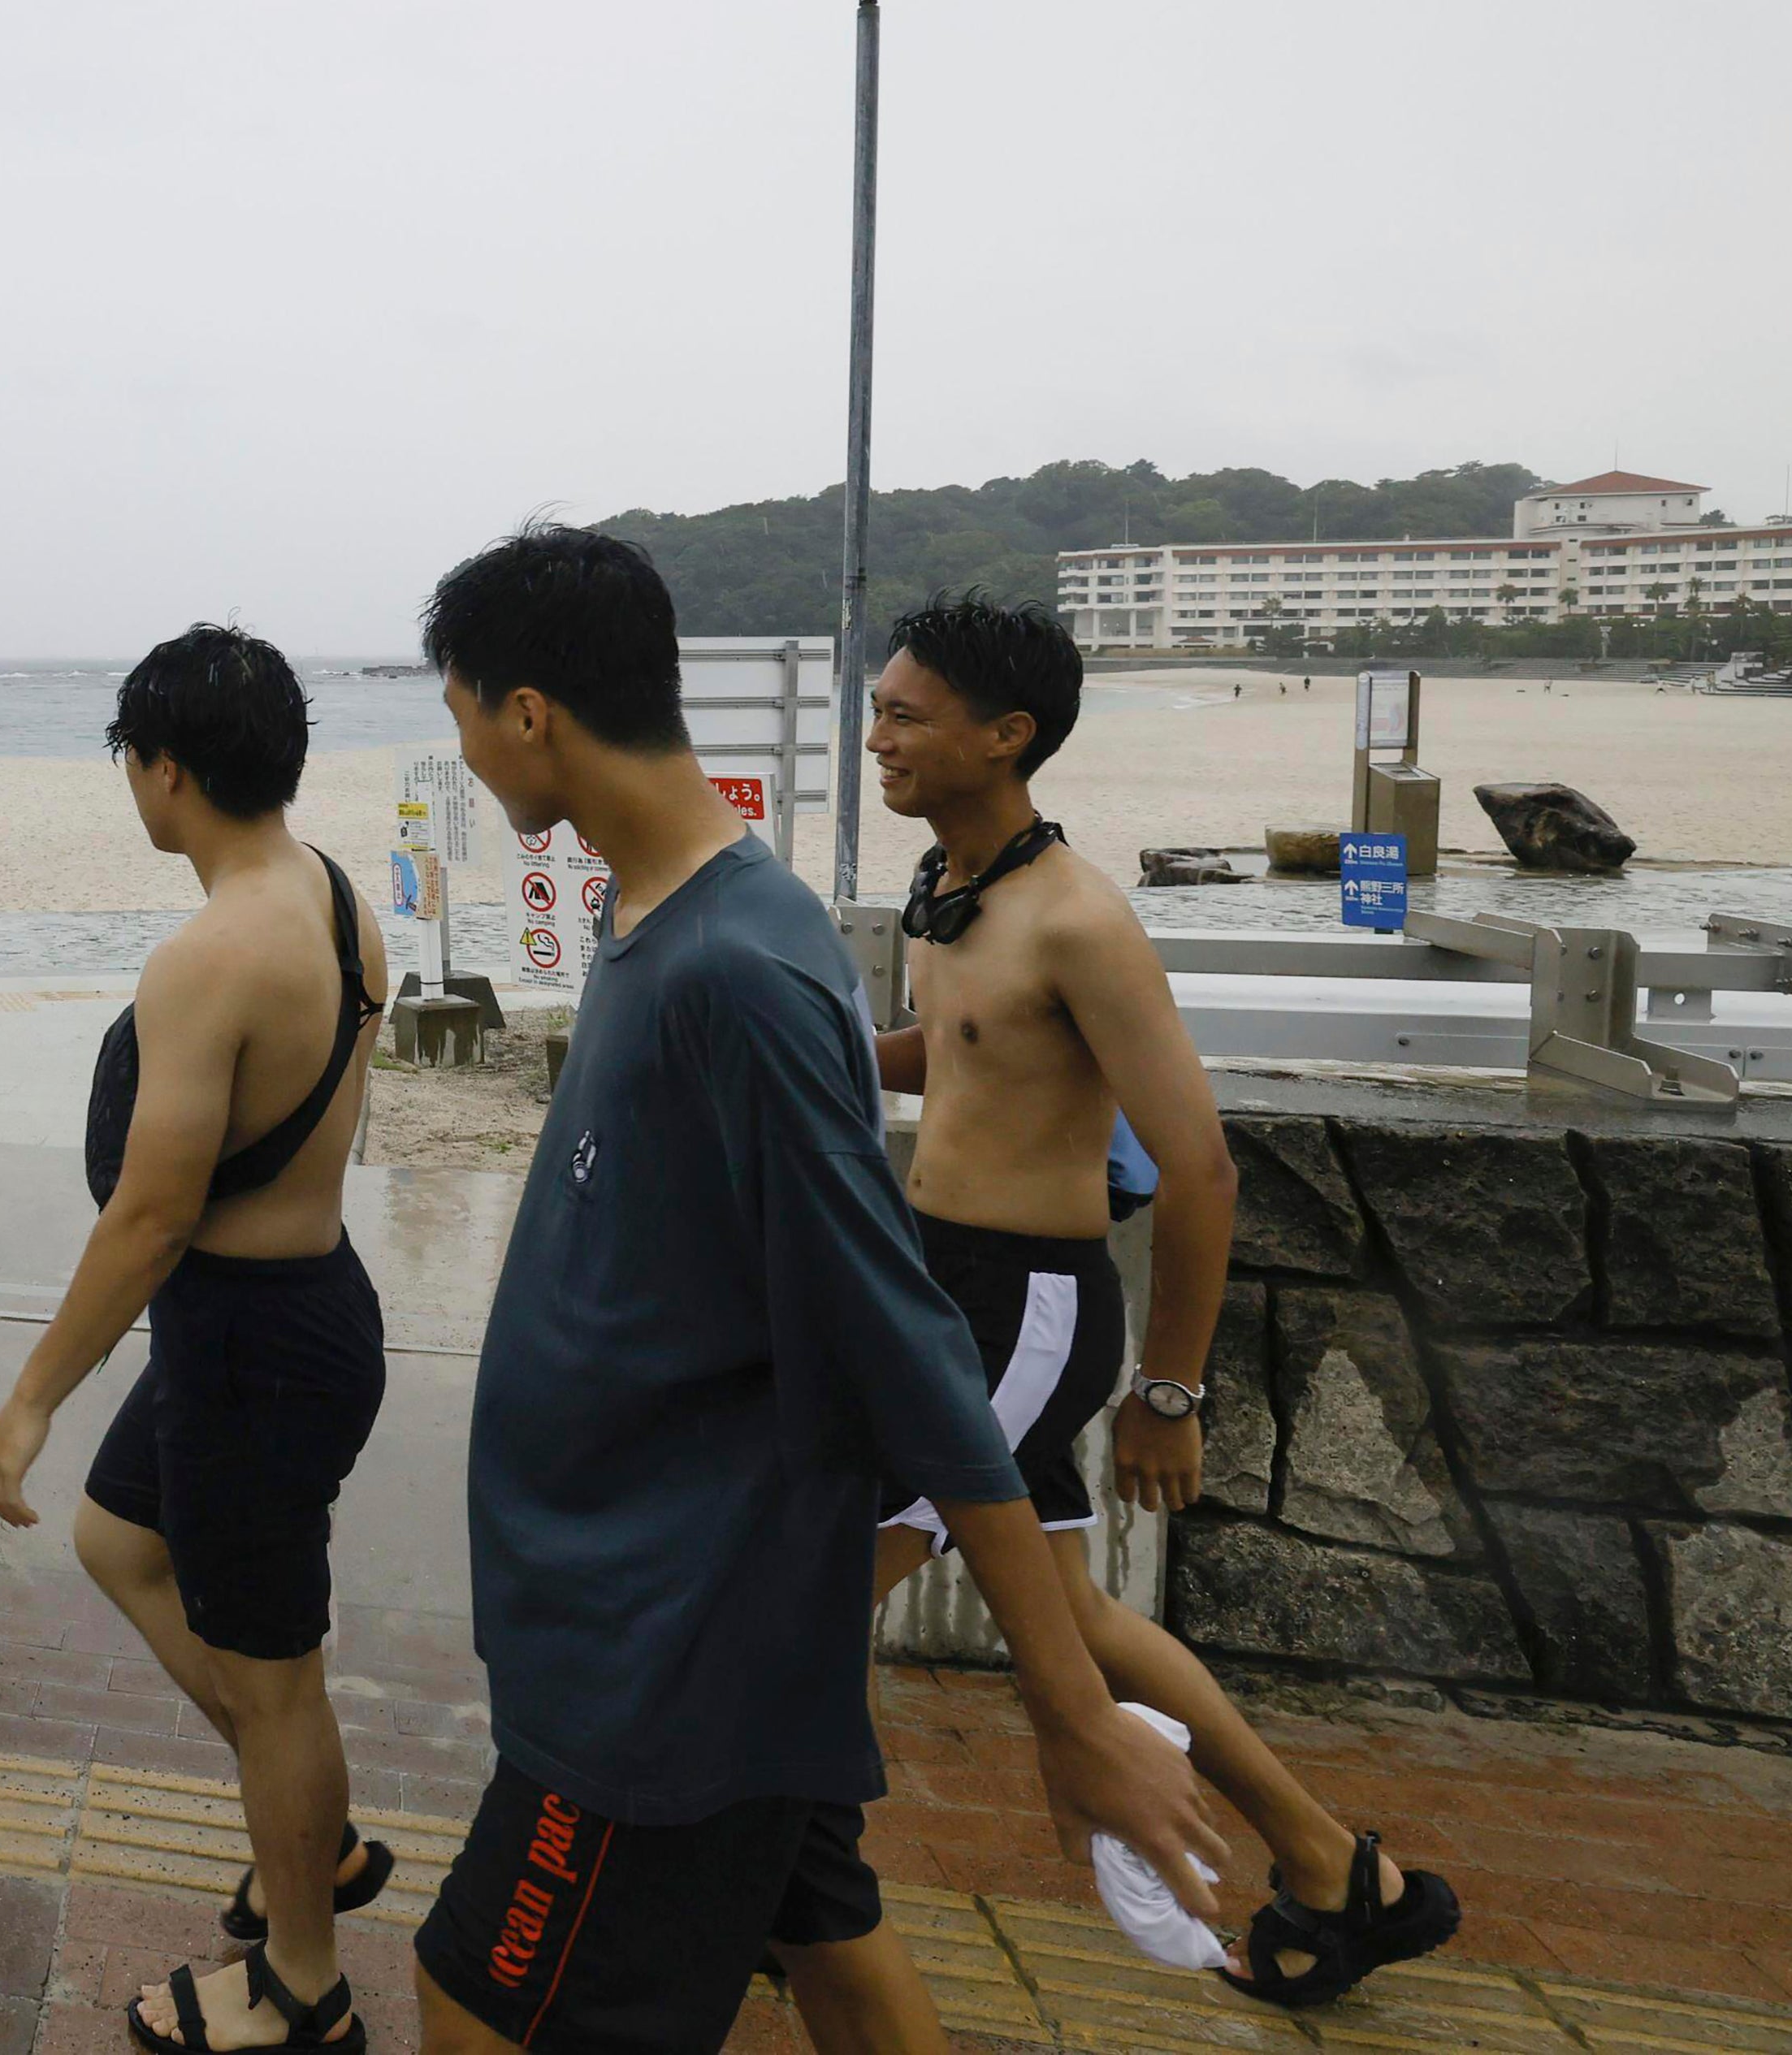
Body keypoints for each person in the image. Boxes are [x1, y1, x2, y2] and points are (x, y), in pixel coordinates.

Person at [411, 528, 1223, 2055]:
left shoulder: (740, 971)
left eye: (460, 711)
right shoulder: (649, 914)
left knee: (479, 2009)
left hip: (668, 1645)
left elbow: (908, 1353)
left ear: (528, 713)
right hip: (643, 1606)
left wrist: (1069, 1713)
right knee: (826, 1935)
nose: (461, 749)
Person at [780, 592, 1457, 2017]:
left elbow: (1200, 1163)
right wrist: (808, 1049)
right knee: (1077, 1619)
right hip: (939, 1288)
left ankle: (777, 1887)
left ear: (1004, 735)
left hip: (1019, 1314)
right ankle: (1336, 1865)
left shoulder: (1077, 918)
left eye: (906, 712)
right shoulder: (950, 885)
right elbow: (955, 1061)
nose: (879, 732)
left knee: (816, 1589)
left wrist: (1169, 1388)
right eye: (881, 705)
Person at [0, 625, 392, 2054]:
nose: (132, 788)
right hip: (306, 1308)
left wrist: (27, 1398)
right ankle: (314, 1840)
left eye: (132, 765)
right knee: (118, 1537)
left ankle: (302, 1978)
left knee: (278, 1680)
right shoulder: (332, 896)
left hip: (251, 1348)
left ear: (165, 769)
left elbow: (150, 1216)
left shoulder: (208, 955)